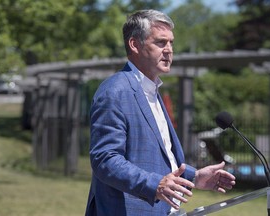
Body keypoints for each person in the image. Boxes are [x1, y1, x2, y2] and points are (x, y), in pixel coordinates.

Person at [85, 9, 236, 216]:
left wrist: (195, 176)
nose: (169, 50)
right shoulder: (115, 91)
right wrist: (155, 184)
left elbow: (155, 156)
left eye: (171, 43)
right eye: (160, 42)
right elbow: (105, 159)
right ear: (134, 44)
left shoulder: (152, 91)